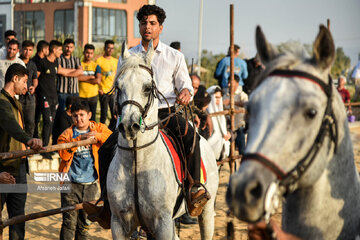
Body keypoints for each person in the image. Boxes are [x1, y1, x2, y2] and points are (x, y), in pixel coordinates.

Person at [85, 4, 209, 227]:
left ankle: (194, 190)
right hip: (133, 114)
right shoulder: (128, 55)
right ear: (139, 26)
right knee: (105, 149)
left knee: (191, 135)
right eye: (143, 23)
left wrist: (185, 93)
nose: (147, 27)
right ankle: (106, 203)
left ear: (160, 27)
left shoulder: (174, 56)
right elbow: (118, 85)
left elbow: (187, 86)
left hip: (166, 113)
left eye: (152, 23)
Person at [0, 63, 43, 240]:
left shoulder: (15, 102)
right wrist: (28, 139)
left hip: (19, 167)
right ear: (15, 78)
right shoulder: (1, 102)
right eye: (25, 81)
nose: (27, 86)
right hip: (3, 169)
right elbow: (9, 123)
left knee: (18, 218)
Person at [58, 101, 112, 240]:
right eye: (75, 116)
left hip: (91, 185)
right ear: (71, 117)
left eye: (82, 115)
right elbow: (63, 154)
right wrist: (78, 140)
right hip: (70, 184)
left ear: (89, 115)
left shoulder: (98, 128)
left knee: (85, 224)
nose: (79, 119)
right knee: (69, 223)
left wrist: (97, 137)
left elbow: (112, 138)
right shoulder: (67, 134)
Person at [34, 40, 79, 148]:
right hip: (43, 96)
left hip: (54, 97)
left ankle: (48, 147)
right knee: (47, 121)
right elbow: (35, 78)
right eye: (59, 49)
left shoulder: (55, 62)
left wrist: (79, 70)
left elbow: (65, 72)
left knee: (52, 122)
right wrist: (34, 93)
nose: (61, 51)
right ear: (53, 50)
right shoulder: (42, 62)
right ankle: (43, 147)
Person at [223, 75, 248, 155]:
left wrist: (232, 102)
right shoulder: (224, 96)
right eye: (228, 83)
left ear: (237, 84)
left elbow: (246, 104)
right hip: (228, 128)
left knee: (242, 151)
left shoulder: (242, 95)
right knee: (229, 152)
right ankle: (232, 167)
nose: (229, 85)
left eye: (232, 83)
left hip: (239, 127)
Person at [57, 38, 83, 113]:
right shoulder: (58, 59)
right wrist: (74, 70)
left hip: (74, 92)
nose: (69, 49)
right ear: (63, 47)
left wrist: (65, 72)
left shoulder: (76, 59)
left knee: (76, 112)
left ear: (74, 48)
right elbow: (59, 70)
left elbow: (80, 72)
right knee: (61, 112)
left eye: (71, 47)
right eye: (67, 47)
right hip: (62, 92)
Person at [96, 40, 117, 129]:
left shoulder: (116, 61)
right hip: (103, 92)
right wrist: (99, 89)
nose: (110, 50)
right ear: (105, 48)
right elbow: (95, 76)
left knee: (114, 115)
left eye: (112, 48)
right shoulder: (99, 60)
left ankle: (110, 133)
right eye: (108, 48)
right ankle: (101, 134)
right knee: (103, 115)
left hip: (113, 92)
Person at [19, 40, 38, 137]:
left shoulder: (33, 64)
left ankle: (28, 147)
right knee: (18, 122)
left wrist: (33, 87)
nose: (27, 52)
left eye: (30, 50)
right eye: (25, 49)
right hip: (18, 96)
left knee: (30, 123)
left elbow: (35, 79)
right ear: (21, 49)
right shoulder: (17, 62)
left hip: (30, 97)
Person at [207, 86, 231, 160]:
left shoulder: (222, 113)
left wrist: (229, 133)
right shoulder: (205, 112)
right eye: (216, 97)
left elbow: (229, 128)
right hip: (208, 150)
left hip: (221, 150)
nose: (218, 100)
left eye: (219, 97)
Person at [78, 44, 101, 121]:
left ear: (93, 54)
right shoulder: (79, 64)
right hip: (81, 95)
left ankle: (92, 133)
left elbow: (98, 80)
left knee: (92, 118)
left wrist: (83, 79)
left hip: (93, 96)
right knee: (81, 118)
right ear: (83, 52)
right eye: (87, 53)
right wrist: (91, 77)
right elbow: (76, 78)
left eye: (91, 53)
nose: (89, 55)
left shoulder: (96, 66)